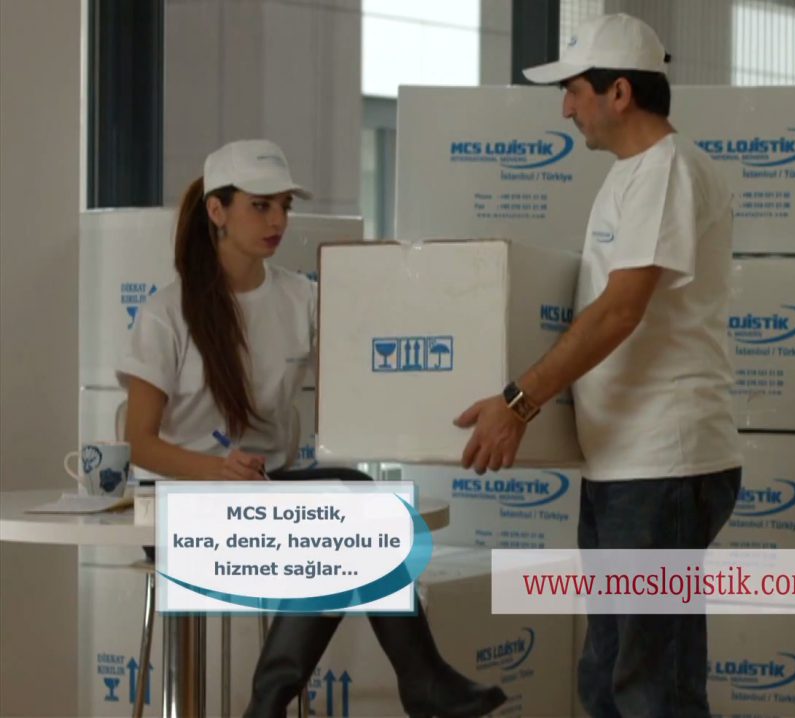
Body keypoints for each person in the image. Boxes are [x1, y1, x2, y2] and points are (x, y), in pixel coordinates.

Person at [119, 139, 507, 718]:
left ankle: (280, 702)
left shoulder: (303, 297)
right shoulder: (165, 314)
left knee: (358, 504)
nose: (277, 221)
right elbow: (140, 442)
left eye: (284, 206)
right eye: (260, 206)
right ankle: (406, 683)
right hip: (181, 510)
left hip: (268, 494)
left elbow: (376, 366)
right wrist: (215, 471)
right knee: (342, 519)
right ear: (217, 211)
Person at [453, 13, 742, 718]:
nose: (565, 108)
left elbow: (619, 311)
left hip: (664, 465)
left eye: (574, 90)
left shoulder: (667, 171)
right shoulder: (630, 177)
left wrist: (518, 403)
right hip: (624, 465)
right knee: (610, 677)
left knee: (652, 686)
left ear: (619, 92)